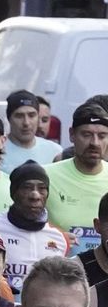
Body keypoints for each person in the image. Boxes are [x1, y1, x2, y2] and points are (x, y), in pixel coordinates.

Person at [0, 162, 72, 293]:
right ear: (14, 193)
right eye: (27, 188)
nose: (35, 195)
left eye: (41, 188)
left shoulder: (60, 238)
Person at [47, 102, 108, 256]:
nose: (95, 143)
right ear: (72, 134)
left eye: (102, 136)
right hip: (58, 274)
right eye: (86, 134)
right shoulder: (45, 177)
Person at [2, 90, 62, 170]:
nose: (26, 123)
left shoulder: (55, 151)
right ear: (9, 118)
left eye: (31, 115)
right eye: (19, 116)